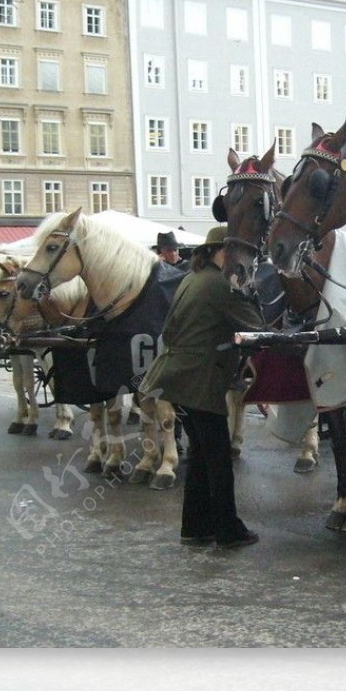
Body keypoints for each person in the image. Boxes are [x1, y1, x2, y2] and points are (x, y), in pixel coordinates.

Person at [139, 225, 265, 548]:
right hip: (201, 381)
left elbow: (169, 330)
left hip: (176, 378)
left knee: (199, 456)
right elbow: (256, 328)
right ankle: (228, 529)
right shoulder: (221, 284)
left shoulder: (190, 280)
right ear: (216, 252)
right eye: (231, 252)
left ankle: (195, 528)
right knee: (219, 459)